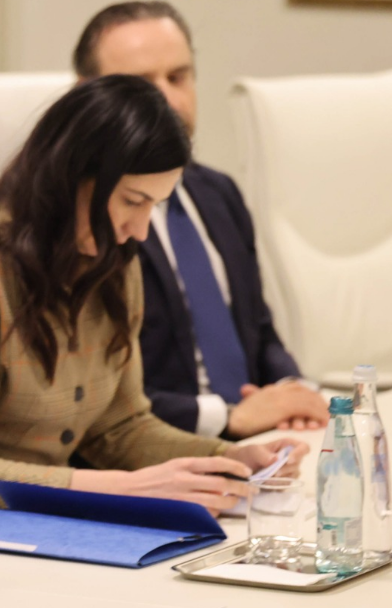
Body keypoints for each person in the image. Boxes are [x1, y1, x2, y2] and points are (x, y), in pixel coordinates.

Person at [0, 76, 308, 536]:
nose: (140, 230)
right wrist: (122, 489)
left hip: (36, 531)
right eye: (132, 201)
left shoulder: (112, 261)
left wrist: (227, 459)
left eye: (154, 207)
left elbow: (119, 429)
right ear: (71, 176)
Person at [73, 2, 327, 439]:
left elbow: (258, 329)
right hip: (155, 447)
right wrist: (225, 417)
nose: (168, 100)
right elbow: (88, 394)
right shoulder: (83, 218)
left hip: (259, 438)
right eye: (141, 85)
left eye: (178, 77)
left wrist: (291, 391)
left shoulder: (217, 192)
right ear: (87, 96)